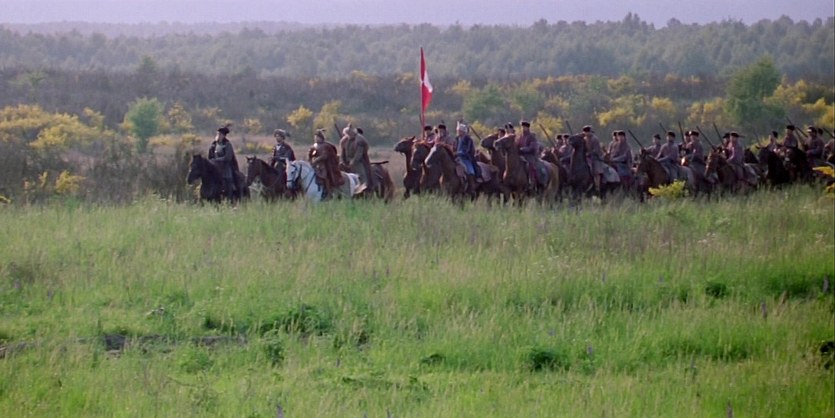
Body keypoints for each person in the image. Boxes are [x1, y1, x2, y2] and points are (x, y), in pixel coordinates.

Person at [308, 128, 344, 198]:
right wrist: (310, 161)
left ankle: (328, 191)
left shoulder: (326, 146)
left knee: (325, 176)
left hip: (325, 165)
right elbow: (309, 154)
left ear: (321, 138)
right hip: (315, 165)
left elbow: (325, 156)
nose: (316, 138)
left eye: (317, 137)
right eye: (315, 137)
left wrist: (316, 160)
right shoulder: (314, 146)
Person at [340, 123, 375, 192]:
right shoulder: (345, 141)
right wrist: (343, 161)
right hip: (347, 161)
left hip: (358, 162)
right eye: (347, 134)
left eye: (350, 133)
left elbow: (359, 154)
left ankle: (364, 187)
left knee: (361, 175)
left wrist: (353, 162)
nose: (349, 135)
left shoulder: (359, 140)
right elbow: (343, 152)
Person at [210, 124, 239, 201]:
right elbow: (210, 155)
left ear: (223, 135)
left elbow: (228, 157)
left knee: (228, 177)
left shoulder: (227, 144)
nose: (218, 136)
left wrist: (217, 160)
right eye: (217, 134)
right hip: (215, 166)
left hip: (225, 166)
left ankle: (230, 193)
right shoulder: (214, 144)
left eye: (220, 134)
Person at [454, 121, 479, 192]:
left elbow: (467, 150)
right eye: (458, 130)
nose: (458, 132)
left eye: (459, 131)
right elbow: (454, 147)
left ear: (463, 131)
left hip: (466, 158)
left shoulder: (468, 139)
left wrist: (459, 153)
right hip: (456, 158)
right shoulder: (457, 139)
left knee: (470, 171)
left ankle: (472, 186)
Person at [516, 120, 540, 189]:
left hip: (530, 155)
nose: (523, 128)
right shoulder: (520, 136)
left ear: (527, 128)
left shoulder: (531, 136)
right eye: (522, 127)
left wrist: (523, 149)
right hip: (521, 155)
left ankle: (531, 180)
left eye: (524, 127)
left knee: (530, 165)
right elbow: (517, 144)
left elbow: (532, 147)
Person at [583, 125, 606, 190]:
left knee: (596, 171)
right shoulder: (584, 139)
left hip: (596, 157)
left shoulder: (595, 139)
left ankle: (597, 186)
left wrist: (589, 153)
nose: (586, 133)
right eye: (585, 132)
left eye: (587, 132)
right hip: (587, 157)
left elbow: (596, 150)